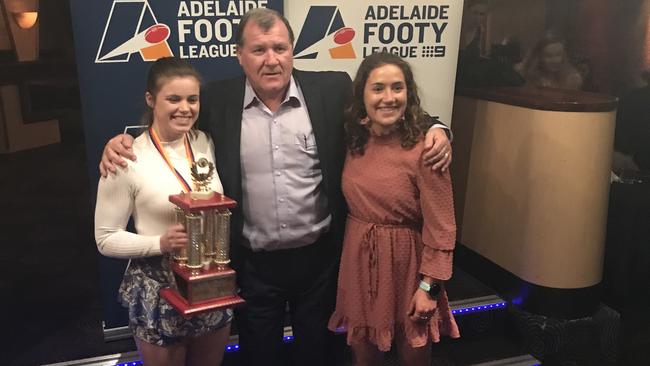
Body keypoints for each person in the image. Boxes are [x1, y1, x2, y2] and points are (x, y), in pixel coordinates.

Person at [98, 8, 453, 366]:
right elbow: (170, 128)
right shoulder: (218, 101)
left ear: (292, 51)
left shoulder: (332, 90)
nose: (272, 60)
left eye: (280, 48)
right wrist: (123, 142)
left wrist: (438, 128)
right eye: (259, 50)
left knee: (319, 354)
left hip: (321, 263)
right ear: (239, 55)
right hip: (253, 266)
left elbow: (386, 110)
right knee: (259, 355)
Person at [94, 57, 232, 366]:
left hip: (210, 281)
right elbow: (105, 238)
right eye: (174, 98)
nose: (185, 107)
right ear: (150, 99)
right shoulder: (125, 158)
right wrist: (160, 243)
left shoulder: (204, 142)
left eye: (192, 99)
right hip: (159, 289)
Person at [328, 52, 460, 366]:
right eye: (378, 88)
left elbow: (442, 227)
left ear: (408, 93)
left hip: (408, 266)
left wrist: (428, 287)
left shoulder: (426, 149)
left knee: (413, 351)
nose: (389, 98)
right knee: (364, 356)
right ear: (362, 94)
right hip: (358, 262)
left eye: (397, 88)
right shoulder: (352, 138)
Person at [517, 32, 583, 90]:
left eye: (558, 54)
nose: (555, 60)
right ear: (539, 57)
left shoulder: (571, 77)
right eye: (549, 56)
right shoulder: (525, 73)